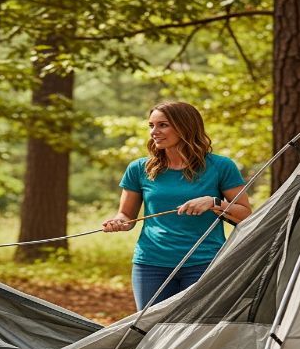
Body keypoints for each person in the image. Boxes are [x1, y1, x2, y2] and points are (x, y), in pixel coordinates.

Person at [103, 101, 252, 309]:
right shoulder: (139, 168)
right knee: (148, 331)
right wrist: (117, 222)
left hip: (203, 263)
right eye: (151, 126)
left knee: (193, 331)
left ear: (185, 127)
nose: (154, 132)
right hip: (150, 264)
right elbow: (126, 216)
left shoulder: (221, 166)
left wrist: (213, 202)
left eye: (163, 125)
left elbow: (246, 215)